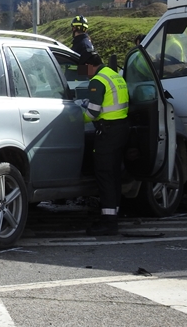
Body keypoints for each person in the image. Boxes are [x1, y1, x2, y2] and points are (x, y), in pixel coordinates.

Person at [79, 53, 130, 236]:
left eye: (84, 69)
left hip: (107, 132)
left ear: (89, 65)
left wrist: (75, 118)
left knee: (105, 175)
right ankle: (113, 213)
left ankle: (109, 222)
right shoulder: (114, 75)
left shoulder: (97, 80)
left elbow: (92, 114)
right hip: (121, 128)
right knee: (114, 174)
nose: (84, 74)